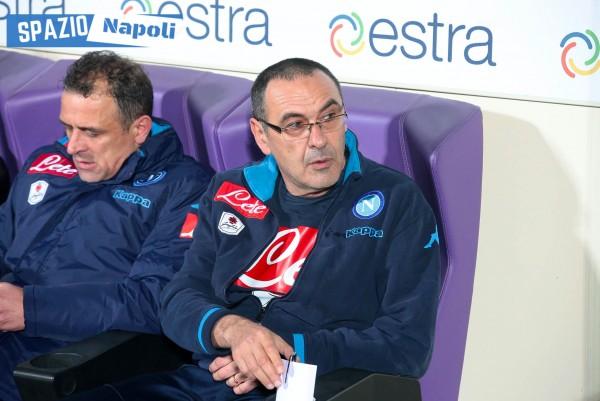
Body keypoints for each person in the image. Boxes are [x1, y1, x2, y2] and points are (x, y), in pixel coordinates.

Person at [65, 58, 440, 401]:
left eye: (329, 117)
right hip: (210, 379)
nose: (318, 139)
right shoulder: (230, 190)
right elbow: (180, 297)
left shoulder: (396, 200)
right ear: (261, 135)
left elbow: (407, 345)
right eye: (295, 125)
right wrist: (231, 330)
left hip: (314, 384)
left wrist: (278, 352)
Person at [0, 51, 212, 401]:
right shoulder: (46, 162)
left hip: (74, 358)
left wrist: (31, 307)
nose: (73, 146)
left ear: (139, 129)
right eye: (68, 127)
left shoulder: (187, 189)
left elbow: (155, 301)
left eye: (91, 132)